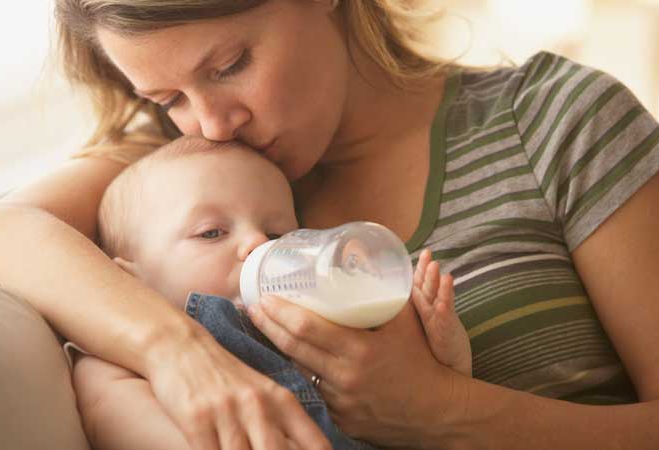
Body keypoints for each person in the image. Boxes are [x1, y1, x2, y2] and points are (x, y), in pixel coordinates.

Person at [0, 1, 659, 449]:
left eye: (229, 65)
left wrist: (443, 413)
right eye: (168, 98)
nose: (212, 122)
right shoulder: (184, 175)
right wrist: (178, 355)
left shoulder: (554, 121)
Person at [71, 135, 470, 450]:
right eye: (211, 233)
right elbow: (110, 414)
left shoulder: (319, 322)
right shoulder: (122, 362)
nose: (258, 244)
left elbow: (414, 407)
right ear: (131, 282)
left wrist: (443, 352)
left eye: (277, 233)